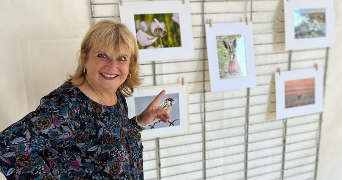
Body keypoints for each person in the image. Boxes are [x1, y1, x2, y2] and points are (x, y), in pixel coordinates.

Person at [0, 20, 170, 180]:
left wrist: (140, 122)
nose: (112, 66)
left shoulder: (115, 96)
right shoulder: (67, 106)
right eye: (102, 55)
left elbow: (113, 141)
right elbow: (7, 148)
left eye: (122, 58)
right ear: (85, 56)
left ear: (130, 63)